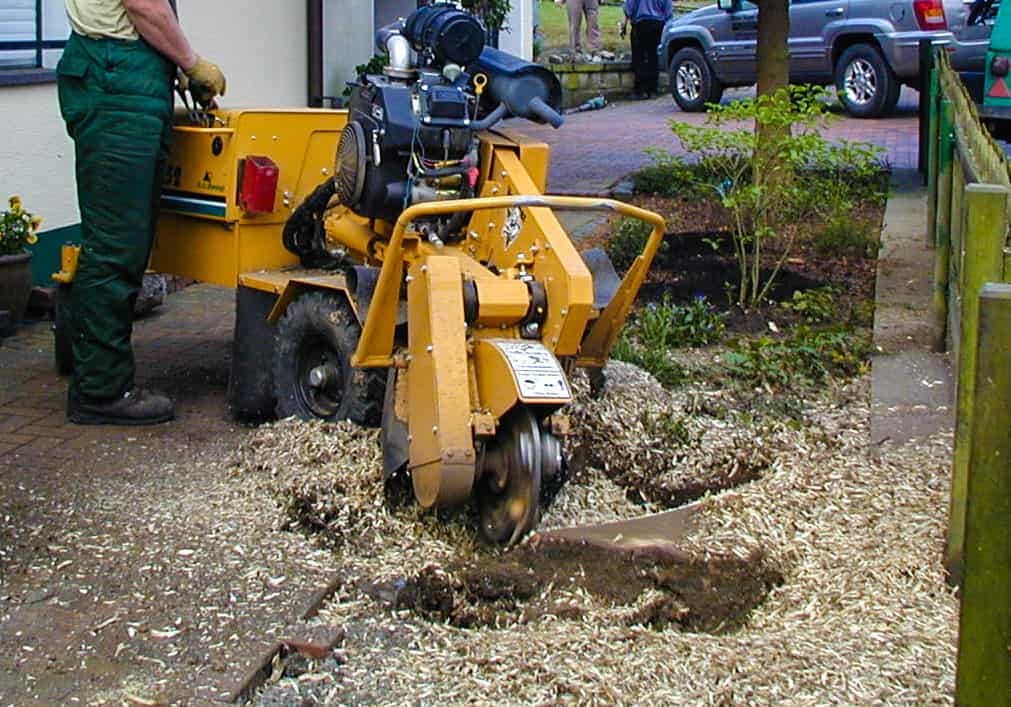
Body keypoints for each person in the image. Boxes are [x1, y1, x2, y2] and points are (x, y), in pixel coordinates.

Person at [57, 0, 226, 425]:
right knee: (116, 244)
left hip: (122, 75)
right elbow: (143, 5)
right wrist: (191, 62)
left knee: (119, 240)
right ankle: (101, 390)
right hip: (118, 80)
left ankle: (92, 365)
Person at [622, 0, 671, 99]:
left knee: (639, 57)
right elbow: (668, 11)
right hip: (658, 24)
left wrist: (625, 25)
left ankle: (640, 90)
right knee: (653, 57)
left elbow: (629, 8)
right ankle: (652, 90)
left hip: (641, 24)